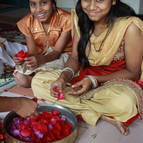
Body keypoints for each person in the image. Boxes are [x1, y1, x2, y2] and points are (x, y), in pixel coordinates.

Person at [32, 0, 143, 136]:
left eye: (99, 0)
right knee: (38, 81)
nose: (91, 6)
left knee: (124, 103)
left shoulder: (129, 26)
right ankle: (99, 115)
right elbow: (75, 58)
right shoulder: (80, 18)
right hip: (83, 78)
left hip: (115, 82)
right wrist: (63, 77)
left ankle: (77, 108)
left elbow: (133, 72)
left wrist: (93, 80)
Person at [13, 0, 72, 88]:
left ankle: (42, 80)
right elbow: (33, 52)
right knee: (20, 78)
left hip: (62, 54)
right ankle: (40, 82)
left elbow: (56, 52)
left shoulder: (66, 19)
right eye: (33, 4)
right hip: (41, 56)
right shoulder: (27, 22)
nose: (38, 9)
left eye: (44, 3)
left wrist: (42, 60)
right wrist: (23, 59)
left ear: (53, 3)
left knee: (39, 74)